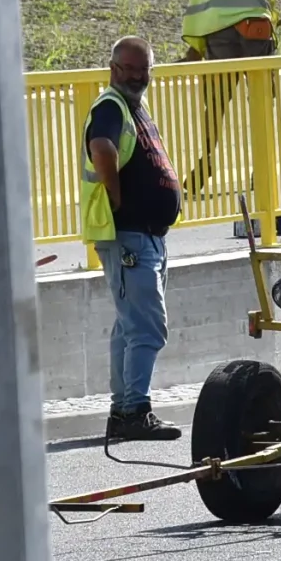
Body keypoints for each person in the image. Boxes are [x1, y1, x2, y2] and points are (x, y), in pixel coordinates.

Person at [83, 36, 184, 441]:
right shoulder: (110, 105)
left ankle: (123, 409)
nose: (138, 77)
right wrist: (116, 195)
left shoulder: (133, 108)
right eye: (130, 69)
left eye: (144, 70)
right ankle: (135, 411)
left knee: (129, 327)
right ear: (113, 69)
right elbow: (102, 148)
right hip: (128, 235)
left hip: (147, 236)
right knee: (148, 327)